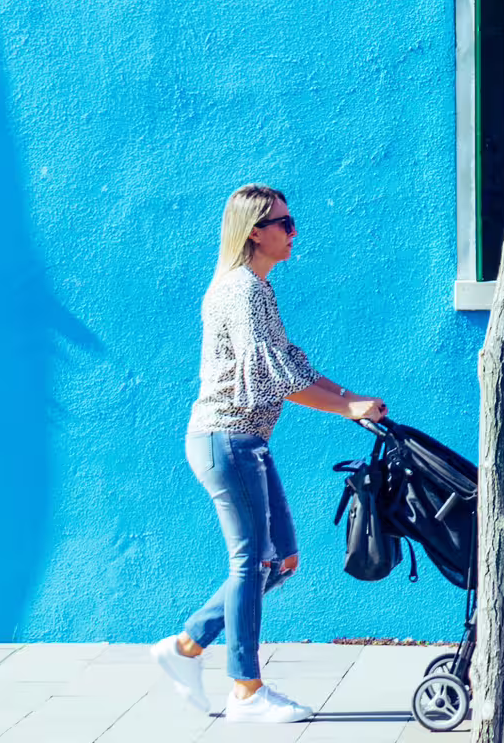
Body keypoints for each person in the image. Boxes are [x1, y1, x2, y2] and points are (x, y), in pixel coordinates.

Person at [152, 185, 389, 724]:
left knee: (279, 559)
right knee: (253, 561)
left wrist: (351, 400)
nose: (293, 231)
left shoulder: (257, 288)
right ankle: (246, 691)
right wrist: (345, 409)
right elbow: (271, 378)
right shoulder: (242, 290)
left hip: (245, 441)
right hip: (227, 438)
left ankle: (188, 646)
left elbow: (291, 365)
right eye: (285, 222)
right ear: (255, 230)